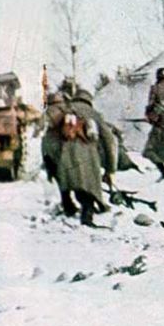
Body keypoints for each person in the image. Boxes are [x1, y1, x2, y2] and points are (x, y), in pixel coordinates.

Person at [55, 88, 117, 226]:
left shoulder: (64, 112)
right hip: (87, 156)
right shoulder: (94, 114)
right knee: (89, 185)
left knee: (73, 182)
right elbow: (109, 140)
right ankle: (87, 216)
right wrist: (111, 168)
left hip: (66, 155)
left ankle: (69, 207)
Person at [41, 91, 68, 184]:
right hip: (69, 140)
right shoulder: (68, 108)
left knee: (50, 160)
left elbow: (41, 125)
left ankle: (50, 174)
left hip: (53, 141)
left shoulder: (48, 111)